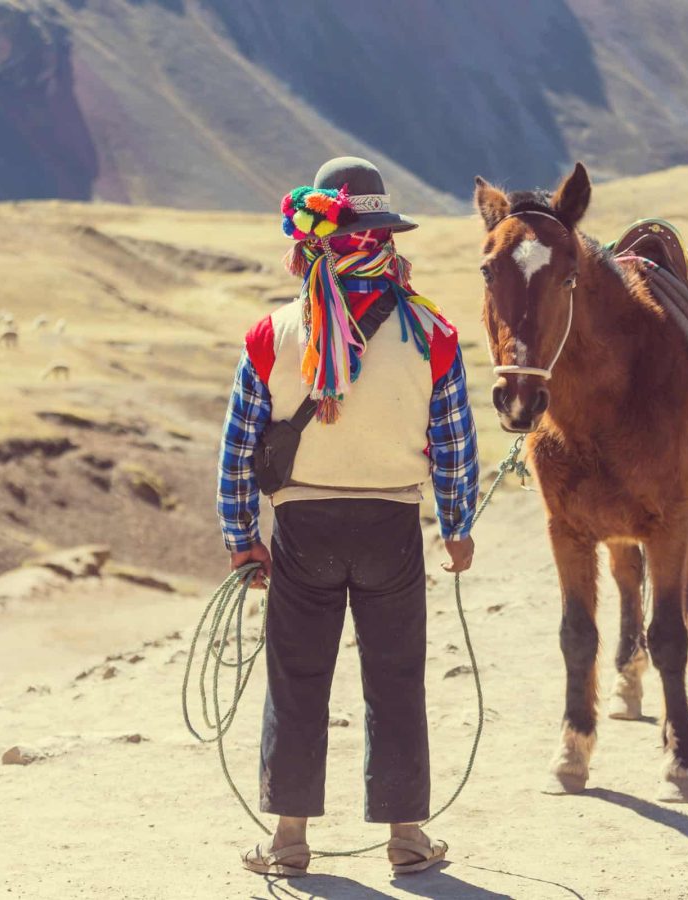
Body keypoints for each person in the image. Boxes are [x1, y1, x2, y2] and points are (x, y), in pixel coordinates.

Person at [217, 157, 479, 878]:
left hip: (302, 527)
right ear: (384, 234)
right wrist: (456, 527)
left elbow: (240, 444)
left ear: (318, 238)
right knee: (395, 677)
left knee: (298, 676)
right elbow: (454, 443)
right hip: (391, 525)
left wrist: (242, 539)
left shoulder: (273, 332)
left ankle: (289, 840)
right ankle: (405, 838)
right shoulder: (434, 332)